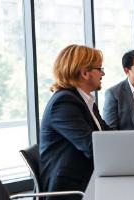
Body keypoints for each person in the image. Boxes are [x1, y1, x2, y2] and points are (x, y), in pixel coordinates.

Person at [39, 44, 111, 199]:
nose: (103, 74)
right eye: (99, 69)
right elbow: (92, 146)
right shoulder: (63, 103)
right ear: (85, 73)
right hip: (72, 189)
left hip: (89, 179)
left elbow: (107, 134)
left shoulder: (84, 100)